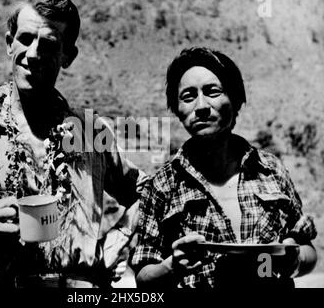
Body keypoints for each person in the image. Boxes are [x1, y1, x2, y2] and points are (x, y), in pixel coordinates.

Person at [0, 0, 145, 288]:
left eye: (49, 45)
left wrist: (118, 240)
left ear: (68, 56)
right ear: (9, 44)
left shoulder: (91, 132)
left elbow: (148, 193)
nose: (33, 53)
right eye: (25, 39)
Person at [130, 47, 317, 288]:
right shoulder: (163, 185)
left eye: (212, 92)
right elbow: (144, 278)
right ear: (178, 111)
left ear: (235, 100)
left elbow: (306, 251)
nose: (201, 106)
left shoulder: (270, 170)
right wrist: (172, 267)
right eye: (188, 96)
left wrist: (295, 260)